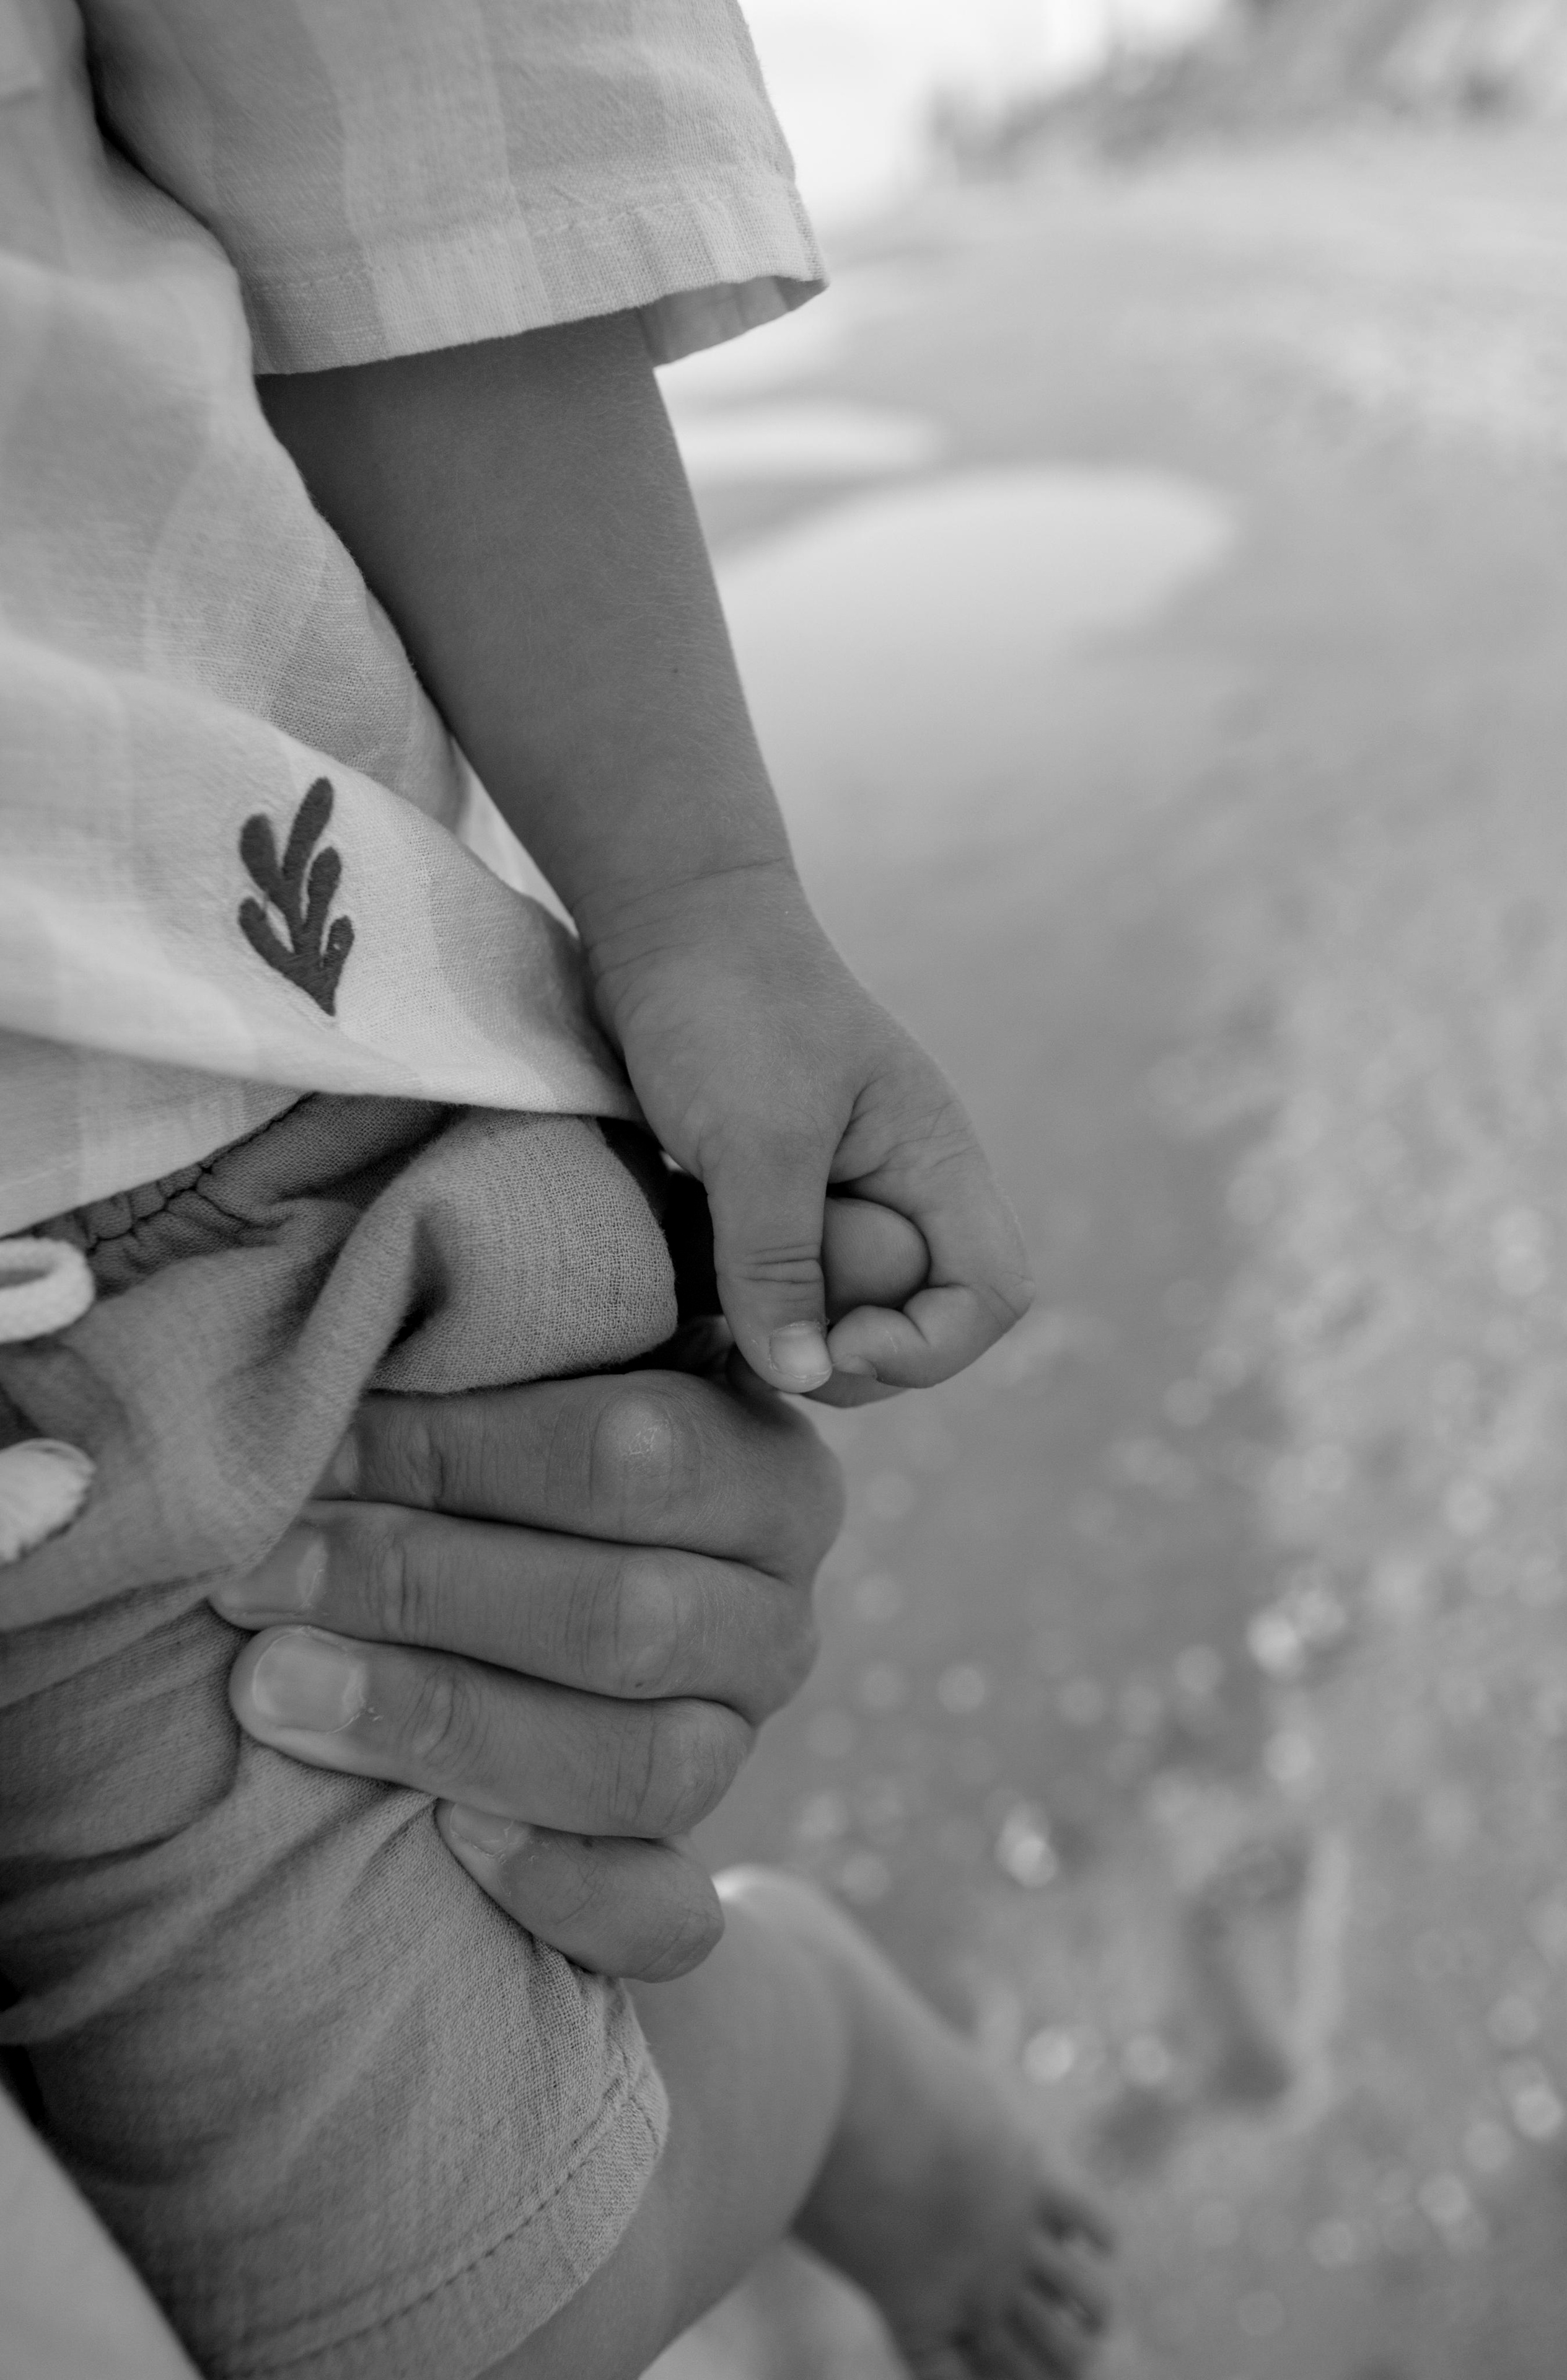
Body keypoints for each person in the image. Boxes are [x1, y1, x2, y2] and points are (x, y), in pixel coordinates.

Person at [0, 4, 1113, 2376]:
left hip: (146, 1215)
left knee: (426, 2320)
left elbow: (384, 106)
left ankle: (797, 2060)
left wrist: (706, 907)